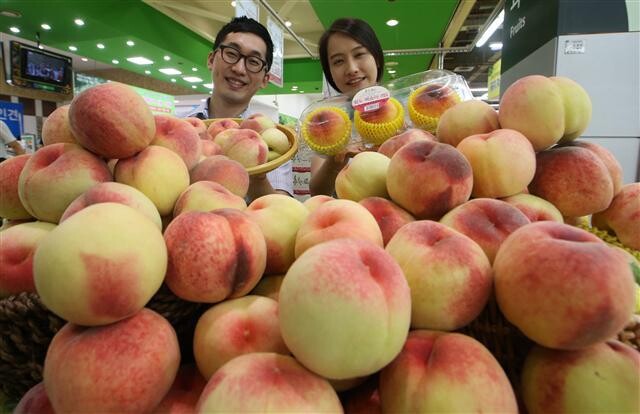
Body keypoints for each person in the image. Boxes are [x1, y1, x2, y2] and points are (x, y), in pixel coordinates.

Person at [184, 16, 293, 201]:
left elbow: (280, 208)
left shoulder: (272, 139)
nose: (240, 69)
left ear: (265, 79)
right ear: (211, 60)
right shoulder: (181, 128)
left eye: (253, 62)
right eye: (232, 53)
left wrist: (259, 171)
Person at [309, 18, 384, 196]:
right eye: (338, 61)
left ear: (377, 58)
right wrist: (337, 158)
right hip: (350, 219)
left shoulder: (405, 110)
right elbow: (317, 192)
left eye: (359, 55)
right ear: (330, 73)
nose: (351, 68)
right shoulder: (327, 120)